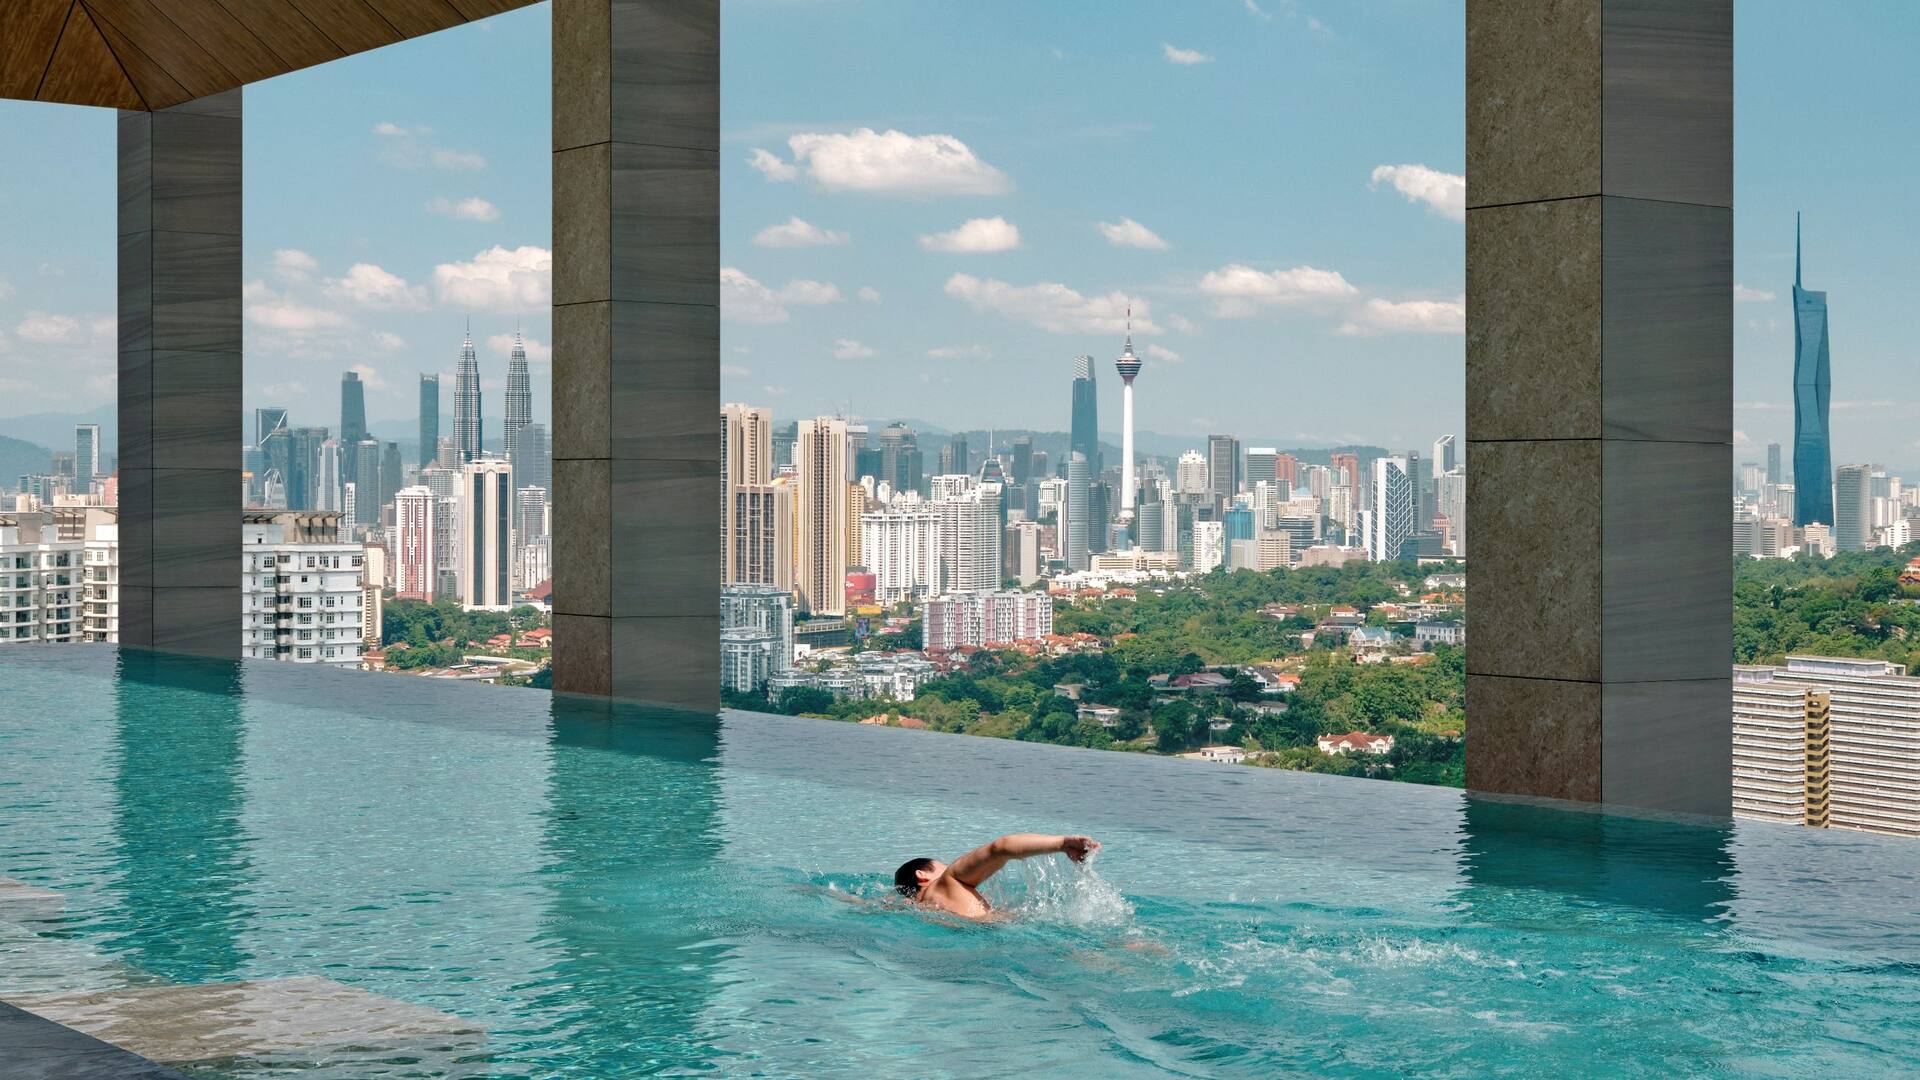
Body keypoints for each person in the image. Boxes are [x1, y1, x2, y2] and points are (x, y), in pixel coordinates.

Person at [893, 834, 1100, 919]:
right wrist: (1062, 844)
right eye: (943, 866)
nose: (948, 868)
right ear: (922, 875)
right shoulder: (947, 881)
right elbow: (999, 848)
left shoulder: (917, 908)